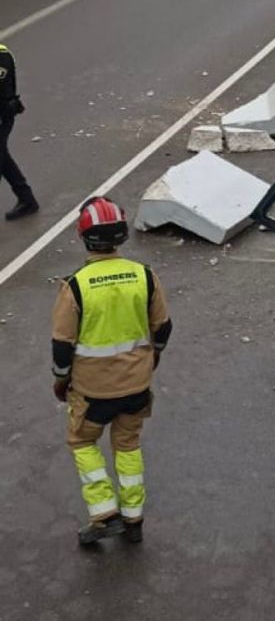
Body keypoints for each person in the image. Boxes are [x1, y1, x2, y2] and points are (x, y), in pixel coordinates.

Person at [51, 197, 172, 547]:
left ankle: (104, 513)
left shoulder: (76, 285)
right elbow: (162, 328)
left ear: (84, 236)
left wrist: (61, 381)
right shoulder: (144, 276)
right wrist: (154, 358)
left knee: (83, 441)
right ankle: (134, 520)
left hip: (92, 391)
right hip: (136, 386)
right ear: (121, 236)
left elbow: (62, 346)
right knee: (128, 445)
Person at [0, 42, 39, 221]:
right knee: (3, 157)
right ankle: (26, 199)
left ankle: (27, 199)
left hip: (2, 115)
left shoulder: (2, 57)